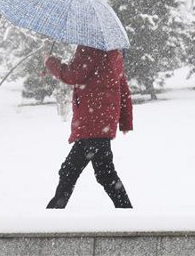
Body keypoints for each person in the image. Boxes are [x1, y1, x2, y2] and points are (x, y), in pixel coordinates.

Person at [44, 45, 133, 209]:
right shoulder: (114, 51)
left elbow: (72, 75)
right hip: (98, 123)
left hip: (92, 122)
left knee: (104, 174)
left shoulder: (89, 48)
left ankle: (128, 214)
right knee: (70, 171)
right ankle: (53, 213)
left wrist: (50, 62)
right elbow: (122, 86)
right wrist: (125, 121)